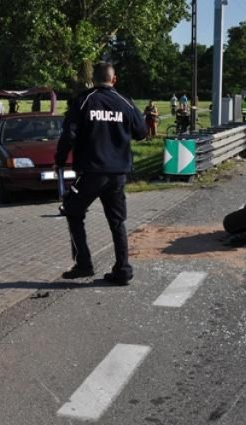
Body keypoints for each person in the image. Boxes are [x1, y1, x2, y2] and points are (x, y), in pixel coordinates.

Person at [54, 62, 147, 285]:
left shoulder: (84, 100)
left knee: (73, 212)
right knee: (117, 222)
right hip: (118, 173)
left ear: (93, 80)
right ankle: (123, 269)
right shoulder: (125, 102)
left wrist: (59, 160)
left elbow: (69, 134)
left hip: (91, 172)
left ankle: (84, 264)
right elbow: (142, 132)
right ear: (114, 80)